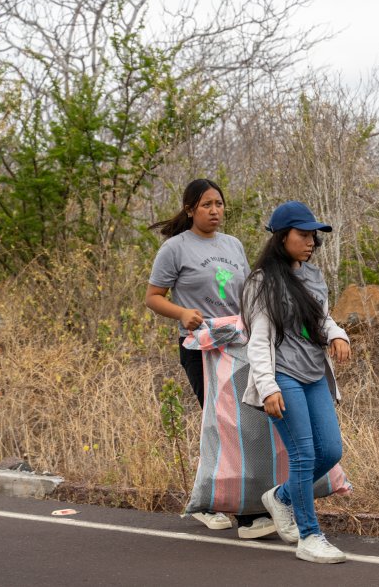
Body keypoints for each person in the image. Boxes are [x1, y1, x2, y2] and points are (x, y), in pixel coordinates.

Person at [144, 178, 275, 538]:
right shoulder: (175, 248)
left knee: (247, 424)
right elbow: (153, 297)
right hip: (200, 348)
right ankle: (233, 510)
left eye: (219, 204)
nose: (215, 211)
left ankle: (237, 505)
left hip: (238, 345)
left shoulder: (232, 245)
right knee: (221, 425)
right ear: (190, 210)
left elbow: (247, 293)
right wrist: (181, 312)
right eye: (206, 205)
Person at [242, 201, 352, 564]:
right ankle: (310, 535)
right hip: (283, 375)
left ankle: (282, 497)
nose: (311, 242)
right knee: (304, 455)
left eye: (313, 236)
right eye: (303, 235)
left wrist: (337, 334)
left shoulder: (312, 275)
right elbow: (257, 341)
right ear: (281, 237)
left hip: (314, 373)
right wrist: (268, 387)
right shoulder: (262, 283)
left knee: (331, 451)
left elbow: (321, 318)